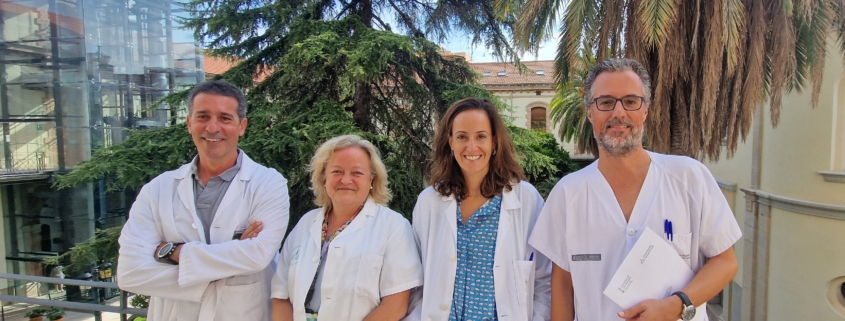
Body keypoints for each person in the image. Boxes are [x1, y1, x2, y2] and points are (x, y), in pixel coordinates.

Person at [529, 58, 742, 321]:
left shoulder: (689, 177)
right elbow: (562, 283)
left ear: (646, 110)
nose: (618, 113)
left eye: (630, 101)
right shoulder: (568, 194)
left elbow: (725, 261)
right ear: (589, 112)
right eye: (605, 102)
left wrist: (676, 305)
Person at [117, 80, 290, 321]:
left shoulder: (268, 183)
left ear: (242, 126)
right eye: (203, 117)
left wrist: (172, 253)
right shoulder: (157, 189)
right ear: (189, 123)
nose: (212, 127)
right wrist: (232, 256)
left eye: (225, 118)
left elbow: (257, 255)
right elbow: (130, 273)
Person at [406, 98, 551, 321]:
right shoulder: (429, 202)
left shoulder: (526, 199)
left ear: (494, 142)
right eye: (462, 136)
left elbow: (544, 279)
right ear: (450, 142)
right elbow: (415, 279)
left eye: (481, 136)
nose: (471, 147)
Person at [271, 134, 422, 321]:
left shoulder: (393, 227)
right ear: (323, 177)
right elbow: (280, 295)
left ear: (372, 180)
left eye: (357, 173)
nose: (346, 180)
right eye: (337, 171)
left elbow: (396, 305)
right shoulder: (305, 224)